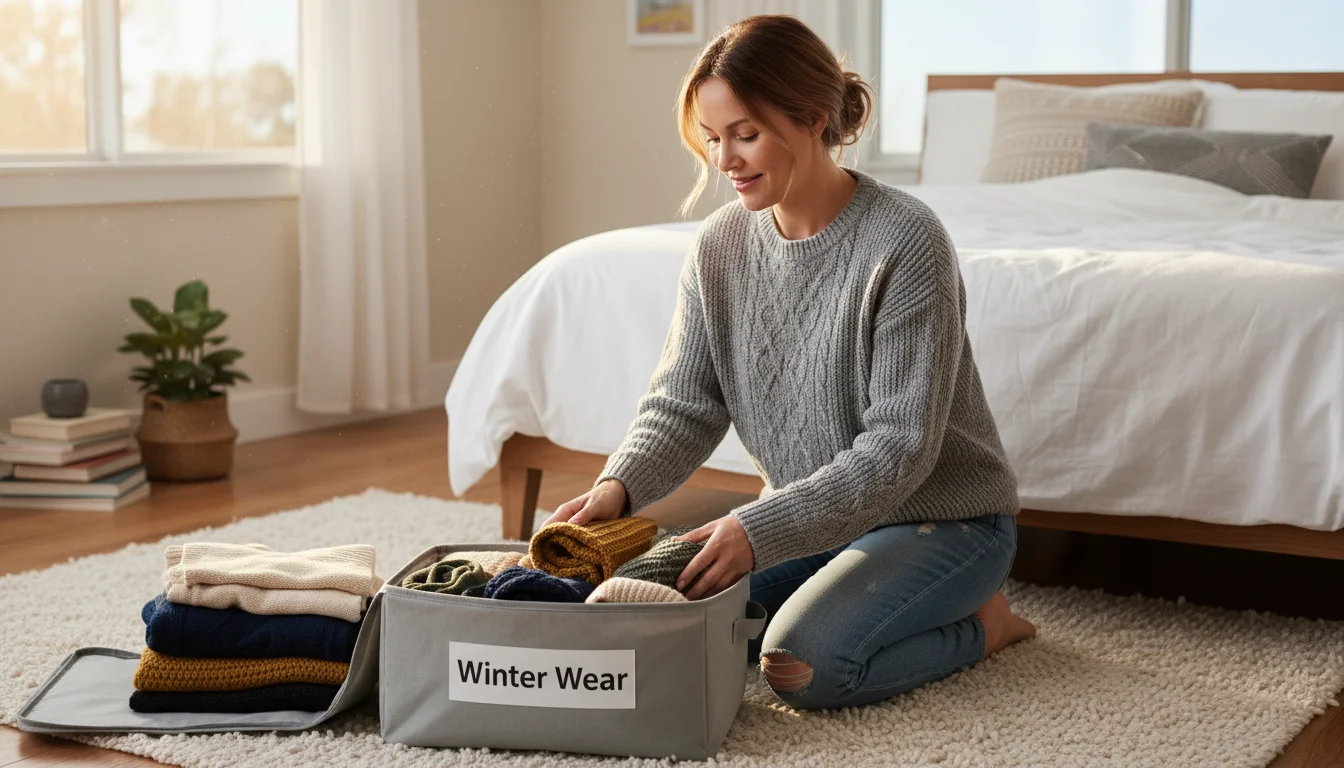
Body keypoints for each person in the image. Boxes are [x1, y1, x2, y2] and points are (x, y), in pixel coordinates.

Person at [542, 14, 1035, 711]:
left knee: (803, 666)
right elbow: (684, 402)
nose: (724, 161)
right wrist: (618, 488)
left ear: (814, 117)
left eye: (745, 134)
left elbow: (899, 448)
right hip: (812, 519)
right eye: (714, 139)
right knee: (640, 610)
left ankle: (987, 625)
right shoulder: (719, 246)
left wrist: (756, 530)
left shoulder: (907, 240)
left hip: (943, 521)